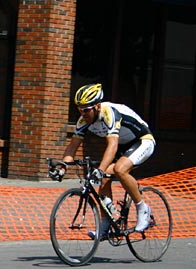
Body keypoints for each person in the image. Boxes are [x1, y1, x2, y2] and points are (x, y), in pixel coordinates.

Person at [50, 83, 155, 239]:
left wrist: (99, 170)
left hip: (142, 141)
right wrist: (63, 168)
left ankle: (143, 208)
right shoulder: (83, 121)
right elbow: (72, 147)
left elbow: (112, 145)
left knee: (120, 169)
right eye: (79, 109)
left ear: (97, 106)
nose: (83, 113)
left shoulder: (109, 113)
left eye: (86, 110)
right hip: (123, 146)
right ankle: (107, 223)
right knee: (104, 179)